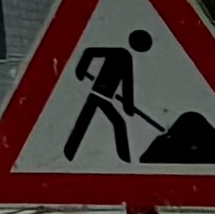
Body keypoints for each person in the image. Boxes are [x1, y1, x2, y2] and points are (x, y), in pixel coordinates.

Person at [61, 28, 152, 162]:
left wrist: (128, 106)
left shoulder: (125, 56)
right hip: (98, 94)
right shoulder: (122, 54)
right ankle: (125, 161)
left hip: (102, 97)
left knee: (86, 121)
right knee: (116, 123)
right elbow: (89, 52)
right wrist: (80, 70)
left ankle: (68, 153)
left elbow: (127, 83)